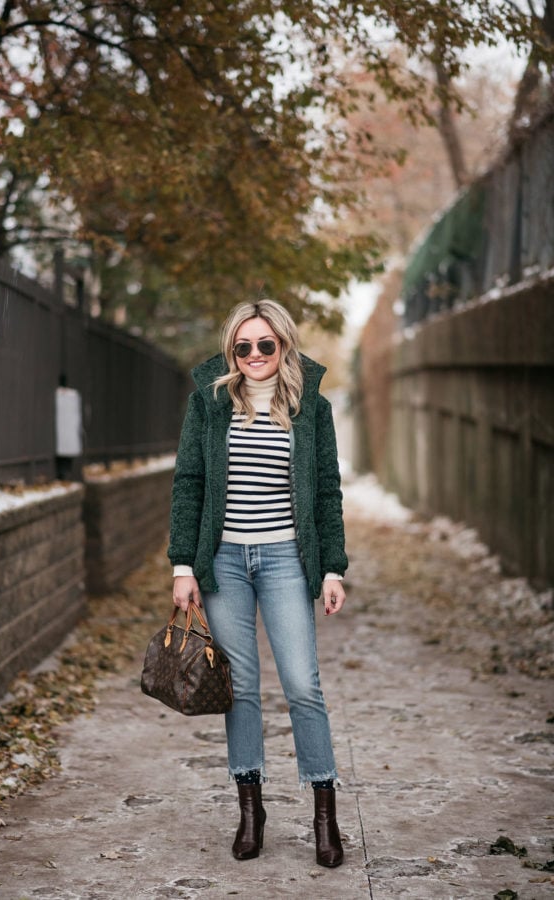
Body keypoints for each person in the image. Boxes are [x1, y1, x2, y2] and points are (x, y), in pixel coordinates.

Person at [168, 299, 348, 867]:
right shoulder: (209, 404)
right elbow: (188, 483)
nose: (252, 356)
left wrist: (333, 567)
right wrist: (181, 566)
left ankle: (325, 814)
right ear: (231, 352)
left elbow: (326, 491)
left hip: (285, 561)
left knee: (302, 684)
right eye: (241, 347)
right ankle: (251, 810)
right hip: (222, 563)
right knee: (241, 686)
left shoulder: (310, 408)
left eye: (264, 345)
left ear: (284, 346)